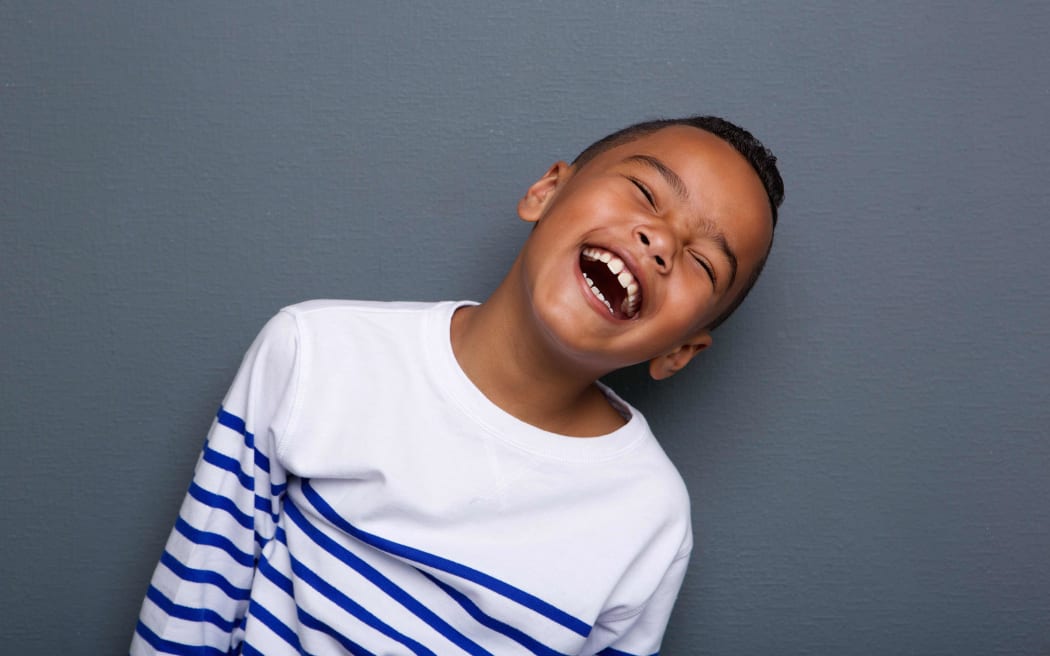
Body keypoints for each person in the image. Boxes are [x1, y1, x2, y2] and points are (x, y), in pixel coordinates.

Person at [130, 115, 784, 656]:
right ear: (546, 191)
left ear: (680, 351)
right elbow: (191, 608)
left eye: (701, 261)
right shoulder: (317, 353)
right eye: (645, 193)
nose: (660, 241)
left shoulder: (651, 519)